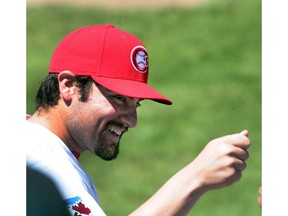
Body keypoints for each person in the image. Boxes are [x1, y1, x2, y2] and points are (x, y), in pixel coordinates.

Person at [26, 24, 251, 215]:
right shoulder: (43, 164)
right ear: (69, 86)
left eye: (137, 104)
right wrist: (195, 178)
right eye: (119, 99)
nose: (132, 121)